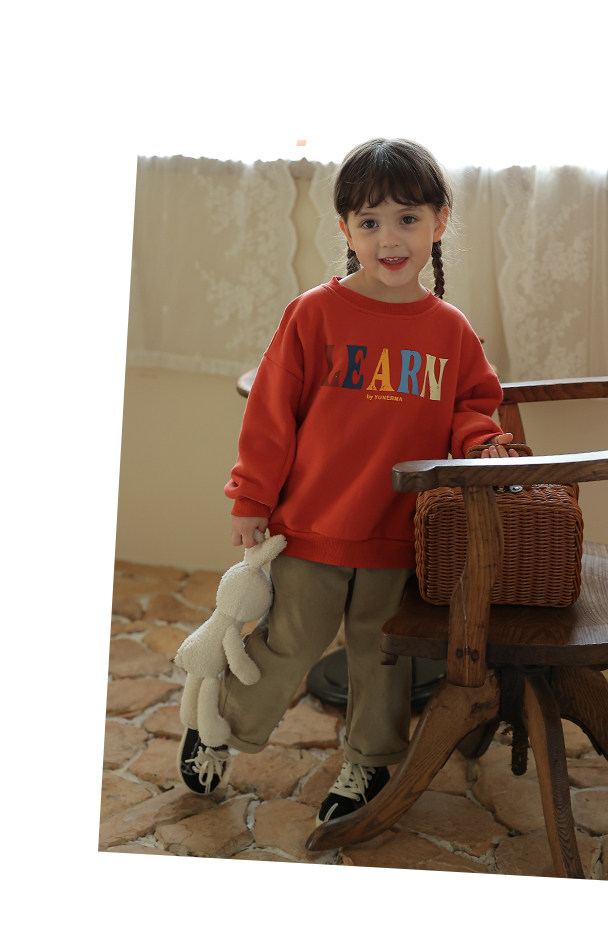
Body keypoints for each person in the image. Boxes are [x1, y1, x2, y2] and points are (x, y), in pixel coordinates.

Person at [178, 138, 517, 824]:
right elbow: (271, 415)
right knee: (289, 644)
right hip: (313, 525)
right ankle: (219, 726)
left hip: (398, 533)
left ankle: (369, 761)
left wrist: (481, 441)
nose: (390, 238)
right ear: (346, 230)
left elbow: (473, 406)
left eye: (407, 219)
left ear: (439, 222)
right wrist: (251, 497)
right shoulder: (314, 314)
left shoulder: (451, 331)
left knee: (382, 656)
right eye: (370, 222)